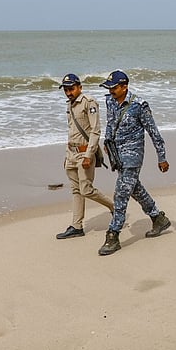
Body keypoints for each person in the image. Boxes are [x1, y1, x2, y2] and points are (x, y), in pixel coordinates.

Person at [98, 70, 172, 256]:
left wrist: (161, 157)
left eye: (114, 87)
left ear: (125, 87)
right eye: (110, 88)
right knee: (134, 188)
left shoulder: (139, 105)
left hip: (133, 155)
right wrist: (107, 141)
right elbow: (110, 123)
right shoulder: (110, 101)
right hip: (117, 155)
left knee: (121, 194)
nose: (111, 91)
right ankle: (158, 218)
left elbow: (154, 133)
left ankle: (113, 235)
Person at [56, 73, 114, 239]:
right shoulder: (70, 105)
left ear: (79, 87)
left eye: (71, 89)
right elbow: (71, 131)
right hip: (71, 154)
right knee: (75, 191)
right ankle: (77, 226)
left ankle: (114, 207)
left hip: (84, 153)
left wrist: (89, 154)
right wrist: (67, 156)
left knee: (86, 189)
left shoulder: (89, 102)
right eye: (66, 90)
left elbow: (95, 131)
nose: (68, 92)